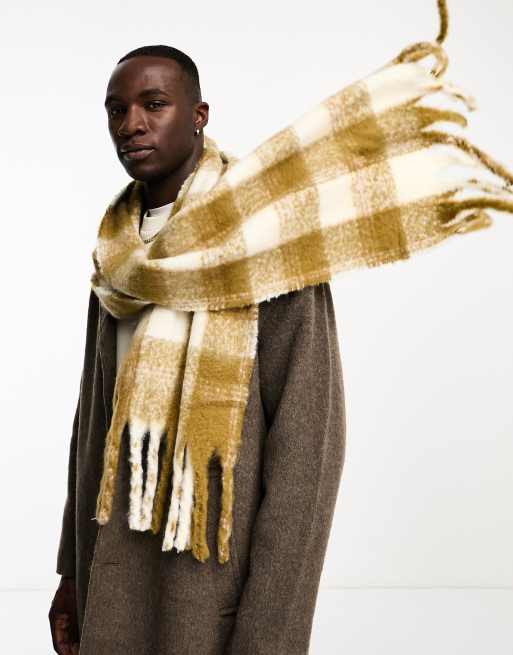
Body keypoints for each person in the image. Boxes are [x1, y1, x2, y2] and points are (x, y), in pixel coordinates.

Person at [49, 45, 347, 655]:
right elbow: (93, 429)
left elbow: (308, 454)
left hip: (210, 598)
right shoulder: (116, 257)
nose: (131, 124)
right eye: (116, 110)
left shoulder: (267, 242)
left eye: (154, 104)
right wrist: (72, 574)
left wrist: (271, 634)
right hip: (113, 586)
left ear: (199, 115)